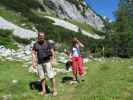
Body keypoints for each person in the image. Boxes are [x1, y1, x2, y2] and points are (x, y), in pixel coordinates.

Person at [32, 32, 57, 96]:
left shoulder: (47, 43)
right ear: (38, 37)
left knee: (51, 76)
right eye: (40, 36)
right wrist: (33, 62)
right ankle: (44, 91)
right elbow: (33, 53)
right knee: (42, 78)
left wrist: (53, 60)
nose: (42, 37)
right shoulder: (35, 44)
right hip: (39, 63)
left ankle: (54, 90)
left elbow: (52, 51)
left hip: (47, 62)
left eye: (43, 36)